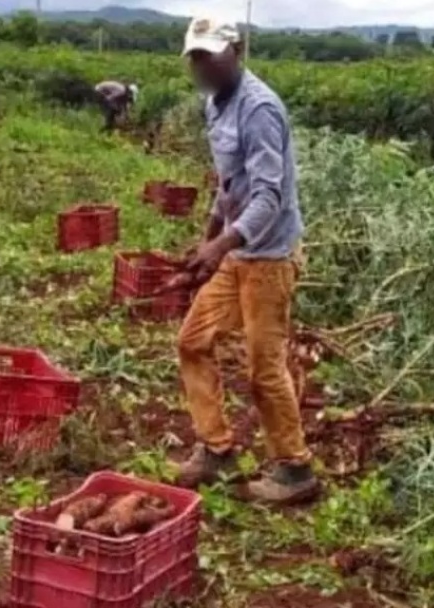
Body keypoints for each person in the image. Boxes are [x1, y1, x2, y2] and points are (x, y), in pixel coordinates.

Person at [174, 16, 318, 504]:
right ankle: (218, 450)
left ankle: (295, 469)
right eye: (195, 57)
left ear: (236, 50)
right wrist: (207, 240)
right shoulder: (214, 103)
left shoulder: (259, 109)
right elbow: (229, 182)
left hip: (270, 257)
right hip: (238, 251)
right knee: (192, 341)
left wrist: (220, 246)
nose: (202, 66)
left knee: (264, 368)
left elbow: (268, 197)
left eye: (210, 56)